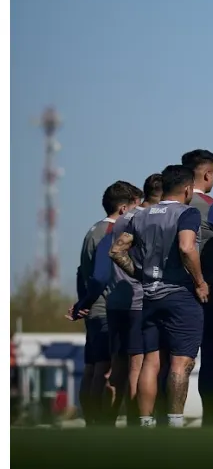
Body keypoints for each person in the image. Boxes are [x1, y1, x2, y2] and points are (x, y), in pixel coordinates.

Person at [110, 165, 208, 428]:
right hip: (180, 296)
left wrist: (141, 275)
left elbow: (117, 251)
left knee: (150, 362)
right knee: (181, 363)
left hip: (150, 296)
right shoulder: (188, 213)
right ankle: (175, 423)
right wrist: (199, 282)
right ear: (188, 189)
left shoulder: (139, 216)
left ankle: (145, 421)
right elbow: (187, 247)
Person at [70, 181, 143, 426]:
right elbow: (101, 275)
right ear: (124, 209)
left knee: (92, 366)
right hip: (104, 305)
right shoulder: (111, 232)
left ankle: (92, 421)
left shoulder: (93, 229)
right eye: (136, 206)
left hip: (92, 306)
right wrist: (88, 301)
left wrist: (82, 302)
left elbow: (82, 272)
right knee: (103, 368)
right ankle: (99, 422)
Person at [182, 149, 213, 428]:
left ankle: (163, 419)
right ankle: (210, 420)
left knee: (172, 362)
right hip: (212, 293)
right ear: (208, 174)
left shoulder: (163, 207)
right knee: (211, 360)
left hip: (171, 292)